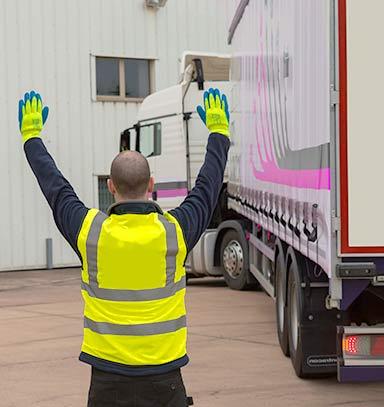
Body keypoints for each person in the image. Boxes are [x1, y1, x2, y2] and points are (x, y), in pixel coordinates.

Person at [18, 88, 230, 407]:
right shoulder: (175, 232)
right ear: (151, 185)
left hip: (107, 381)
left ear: (110, 186)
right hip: (165, 378)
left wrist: (32, 138)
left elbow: (57, 190)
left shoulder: (91, 233)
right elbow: (208, 187)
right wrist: (219, 133)